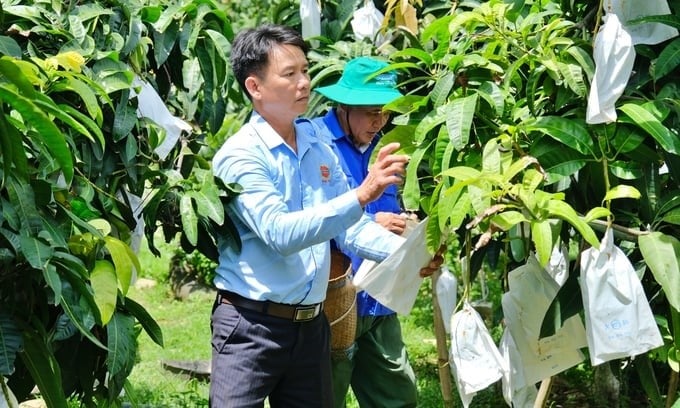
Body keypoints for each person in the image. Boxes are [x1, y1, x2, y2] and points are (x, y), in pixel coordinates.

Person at [210, 24, 440, 407]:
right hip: (252, 325)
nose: (304, 83)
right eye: (289, 74)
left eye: (304, 70)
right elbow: (279, 233)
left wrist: (410, 256)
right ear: (255, 87)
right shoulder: (241, 156)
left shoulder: (314, 143)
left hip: (312, 325)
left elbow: (349, 230)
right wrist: (363, 193)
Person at [313, 56, 421, 408]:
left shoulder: (385, 148)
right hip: (334, 300)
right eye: (371, 111)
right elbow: (301, 217)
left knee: (399, 396)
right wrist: (369, 224)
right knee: (326, 395)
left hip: (379, 300)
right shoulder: (314, 144)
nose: (379, 121)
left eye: (386, 112)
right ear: (343, 106)